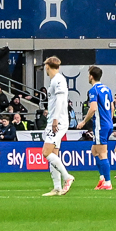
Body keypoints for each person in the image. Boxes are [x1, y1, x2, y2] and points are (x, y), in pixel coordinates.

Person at [40, 56, 75, 197]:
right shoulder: (55, 80)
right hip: (55, 121)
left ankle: (67, 177)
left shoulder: (59, 80)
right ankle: (57, 187)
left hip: (58, 121)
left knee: (46, 152)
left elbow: (61, 100)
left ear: (48, 66)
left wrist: (55, 120)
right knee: (53, 154)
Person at [80, 65, 116, 191]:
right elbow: (112, 107)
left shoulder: (93, 90)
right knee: (94, 151)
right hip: (108, 124)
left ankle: (108, 182)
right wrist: (109, 121)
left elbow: (93, 108)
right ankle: (102, 178)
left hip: (100, 126)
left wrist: (84, 121)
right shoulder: (107, 89)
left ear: (91, 76)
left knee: (102, 153)